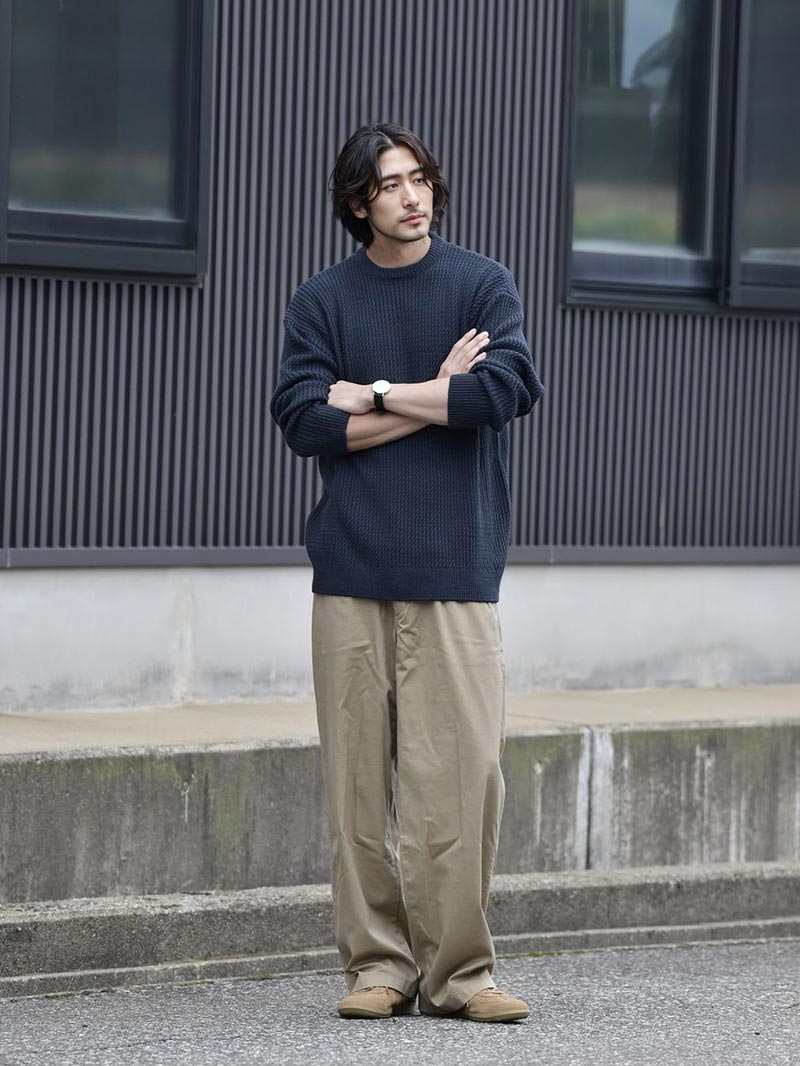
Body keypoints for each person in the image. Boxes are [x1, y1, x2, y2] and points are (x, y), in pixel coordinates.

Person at [270, 122, 544, 1023]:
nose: (412, 196)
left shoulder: (481, 283)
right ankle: (378, 968)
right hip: (351, 567)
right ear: (358, 204)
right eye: (389, 185)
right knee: (356, 787)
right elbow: (306, 421)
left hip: (457, 568)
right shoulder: (322, 300)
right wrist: (435, 394)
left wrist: (379, 392)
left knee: (460, 782)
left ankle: (461, 976)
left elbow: (501, 392)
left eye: (419, 178)